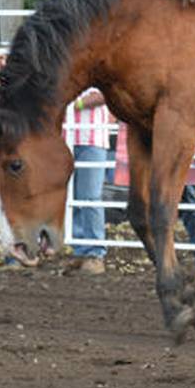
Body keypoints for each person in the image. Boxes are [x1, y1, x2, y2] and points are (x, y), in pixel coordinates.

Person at [65, 88, 112, 274]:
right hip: (67, 137)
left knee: (89, 197)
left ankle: (95, 253)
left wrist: (75, 104)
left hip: (92, 138)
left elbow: (104, 95)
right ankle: (82, 249)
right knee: (75, 197)